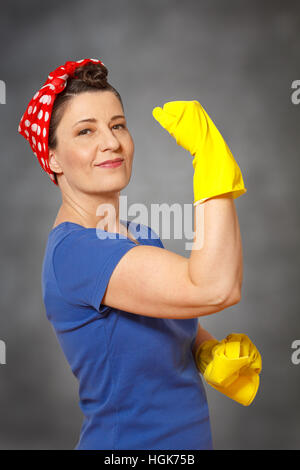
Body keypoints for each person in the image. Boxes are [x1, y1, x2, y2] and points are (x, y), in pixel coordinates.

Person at [18, 58, 261, 450]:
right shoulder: (77, 252)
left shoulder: (140, 236)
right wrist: (212, 160)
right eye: (85, 131)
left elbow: (165, 318)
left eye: (117, 125)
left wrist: (205, 351)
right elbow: (215, 288)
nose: (111, 142)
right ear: (53, 158)